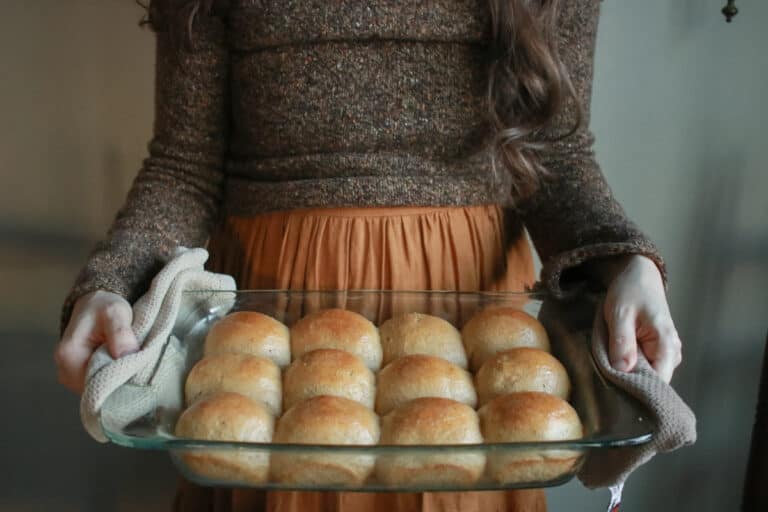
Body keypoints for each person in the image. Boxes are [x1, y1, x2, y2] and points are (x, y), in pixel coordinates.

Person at [54, 0, 683, 511]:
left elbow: (556, 156)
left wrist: (627, 262)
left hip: (476, 343)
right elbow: (184, 164)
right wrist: (111, 280)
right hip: (268, 326)